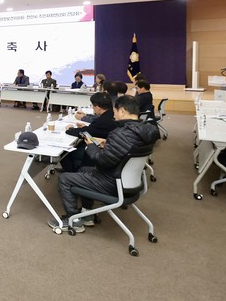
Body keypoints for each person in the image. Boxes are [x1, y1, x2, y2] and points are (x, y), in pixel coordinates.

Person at [51, 95, 159, 232]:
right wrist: (108, 143)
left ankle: (73, 220)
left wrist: (91, 146)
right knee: (83, 169)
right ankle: (86, 213)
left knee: (65, 178)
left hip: (112, 182)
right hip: (132, 182)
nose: (113, 115)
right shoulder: (147, 131)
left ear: (122, 111)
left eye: (115, 111)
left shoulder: (120, 134)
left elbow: (102, 161)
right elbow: (129, 148)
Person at [60, 92, 117, 173]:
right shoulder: (111, 114)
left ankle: (73, 173)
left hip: (99, 149)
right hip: (103, 145)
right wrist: (85, 128)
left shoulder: (103, 121)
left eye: (93, 106)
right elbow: (92, 131)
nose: (93, 108)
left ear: (98, 108)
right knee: (78, 144)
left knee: (65, 151)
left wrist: (70, 129)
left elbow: (84, 133)